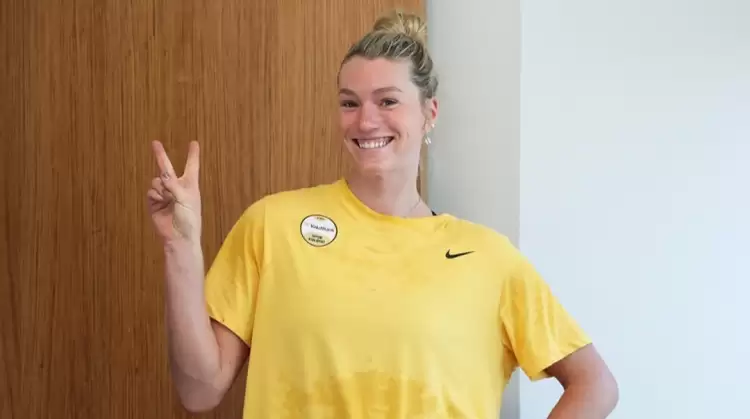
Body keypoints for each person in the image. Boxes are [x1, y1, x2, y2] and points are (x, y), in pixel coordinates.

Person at [146, 9, 619, 419]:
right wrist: (180, 246)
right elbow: (200, 390)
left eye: (388, 101)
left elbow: (594, 385)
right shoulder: (272, 226)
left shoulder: (488, 258)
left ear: (430, 113)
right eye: (349, 103)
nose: (366, 120)